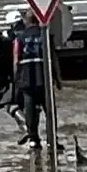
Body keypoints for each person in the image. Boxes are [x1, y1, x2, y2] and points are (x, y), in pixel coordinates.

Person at [12, 11, 58, 148]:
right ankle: (52, 139)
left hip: (27, 78)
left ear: (25, 21)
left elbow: (16, 60)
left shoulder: (19, 38)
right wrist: (58, 79)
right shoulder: (46, 36)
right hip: (44, 78)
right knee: (49, 110)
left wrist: (16, 79)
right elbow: (53, 58)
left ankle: (33, 139)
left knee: (29, 109)